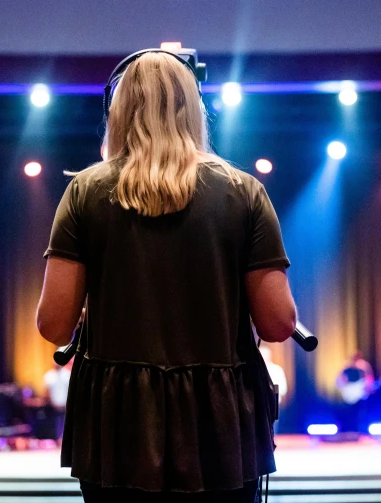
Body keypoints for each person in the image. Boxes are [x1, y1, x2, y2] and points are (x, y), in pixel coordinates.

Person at [36, 50, 296, 502]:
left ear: (115, 111)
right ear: (195, 108)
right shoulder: (244, 192)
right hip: (221, 422)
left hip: (116, 423)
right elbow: (277, 324)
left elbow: (53, 325)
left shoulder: (84, 192)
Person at [44, 359, 73, 443]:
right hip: (54, 404)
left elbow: (70, 389)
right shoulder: (49, 375)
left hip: (65, 403)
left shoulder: (67, 374)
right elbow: (47, 390)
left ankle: (65, 439)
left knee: (66, 421)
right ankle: (57, 438)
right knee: (56, 422)